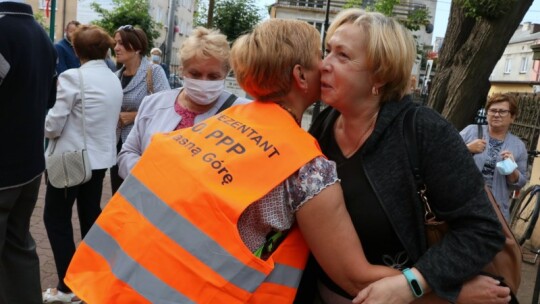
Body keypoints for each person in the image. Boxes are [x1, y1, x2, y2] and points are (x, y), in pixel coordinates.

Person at [64, 19, 410, 303]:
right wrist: (433, 283)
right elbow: (354, 277)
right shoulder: (308, 170)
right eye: (321, 55)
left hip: (115, 288)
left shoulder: (212, 125)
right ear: (301, 77)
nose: (327, 64)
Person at [297, 8, 508, 304]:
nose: (324, 64)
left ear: (380, 75)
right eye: (328, 51)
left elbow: (483, 230)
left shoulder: (423, 130)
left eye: (342, 56)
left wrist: (415, 284)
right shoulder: (325, 124)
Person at [42, 25, 123, 303]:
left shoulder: (72, 77)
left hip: (71, 161)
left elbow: (54, 125)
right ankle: (94, 278)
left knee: (56, 219)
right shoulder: (114, 78)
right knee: (90, 218)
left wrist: (40, 122)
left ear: (75, 50)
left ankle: (68, 287)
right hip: (101, 161)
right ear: (105, 49)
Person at [117, 27, 249, 179]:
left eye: (213, 76)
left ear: (225, 74)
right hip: (150, 198)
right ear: (182, 70)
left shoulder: (242, 112)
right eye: (195, 74)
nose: (203, 82)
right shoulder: (153, 103)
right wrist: (151, 173)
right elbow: (127, 153)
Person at [0, 0, 57, 303]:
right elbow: (50, 98)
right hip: (30, 166)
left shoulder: (2, 31)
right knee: (19, 247)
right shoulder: (43, 38)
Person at [110, 25, 170, 194]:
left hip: (142, 148)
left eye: (121, 43)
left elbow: (166, 109)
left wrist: (134, 116)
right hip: (117, 146)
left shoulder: (153, 71)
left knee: (140, 196)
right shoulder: (116, 76)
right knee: (118, 196)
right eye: (116, 43)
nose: (116, 48)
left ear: (136, 47)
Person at [460, 93, 527, 221]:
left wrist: (512, 171)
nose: (496, 114)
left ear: (512, 117)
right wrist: (467, 148)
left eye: (502, 111)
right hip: (463, 202)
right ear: (487, 113)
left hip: (495, 209)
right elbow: (446, 156)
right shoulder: (471, 131)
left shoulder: (518, 146)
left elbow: (521, 182)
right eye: (492, 110)